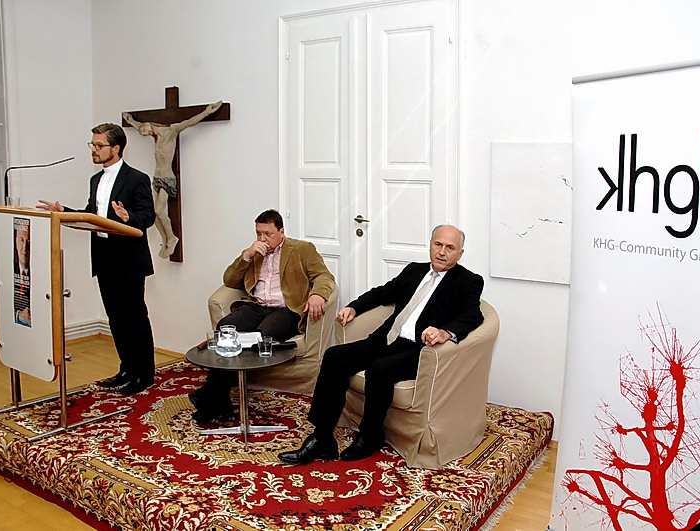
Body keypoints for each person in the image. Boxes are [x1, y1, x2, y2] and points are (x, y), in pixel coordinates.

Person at [278, 224, 484, 464]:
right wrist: (354, 307)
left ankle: (370, 436)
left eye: (450, 248)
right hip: (386, 339)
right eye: (438, 244)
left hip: (420, 349)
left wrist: (445, 333)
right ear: (430, 245)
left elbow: (473, 314)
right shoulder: (414, 270)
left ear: (460, 253)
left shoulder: (468, 281)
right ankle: (322, 438)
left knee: (379, 369)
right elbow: (382, 293)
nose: (442, 252)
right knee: (334, 356)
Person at [37, 123, 156, 395]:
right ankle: (127, 369)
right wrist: (64, 211)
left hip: (129, 258)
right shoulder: (95, 180)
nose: (94, 149)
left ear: (116, 148)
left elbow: (147, 216)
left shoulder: (137, 178)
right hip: (104, 257)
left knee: (134, 317)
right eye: (92, 144)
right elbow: (92, 215)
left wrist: (128, 217)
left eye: (99, 145)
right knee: (115, 317)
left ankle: (144, 374)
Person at [189, 209, 335, 421]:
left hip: (286, 309)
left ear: (281, 231)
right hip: (256, 306)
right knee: (225, 329)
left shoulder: (302, 249)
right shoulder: (254, 252)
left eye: (268, 233)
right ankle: (218, 398)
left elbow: (324, 276)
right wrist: (247, 256)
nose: (262, 238)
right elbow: (230, 280)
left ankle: (211, 396)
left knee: (262, 336)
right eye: (258, 233)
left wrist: (318, 294)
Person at [122, 101, 222, 259]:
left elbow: (189, 122)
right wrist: (130, 120)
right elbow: (138, 126)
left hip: (167, 178)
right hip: (156, 178)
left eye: (145, 131)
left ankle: (172, 237)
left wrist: (207, 112)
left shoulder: (171, 131)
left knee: (159, 210)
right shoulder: (154, 135)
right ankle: (165, 240)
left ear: (150, 126)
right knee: (152, 213)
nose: (145, 134)